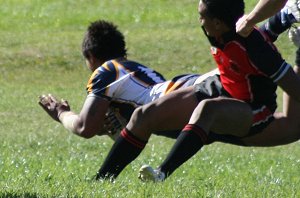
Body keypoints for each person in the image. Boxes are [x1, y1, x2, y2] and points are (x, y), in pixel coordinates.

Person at [95, 0, 300, 181]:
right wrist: (285, 17)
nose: (199, 21)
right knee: (144, 115)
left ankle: (161, 173)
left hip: (254, 108)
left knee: (207, 109)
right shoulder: (223, 29)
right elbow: (263, 31)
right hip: (222, 86)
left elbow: (295, 88)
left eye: (202, 16)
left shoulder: (257, 50)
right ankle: (101, 180)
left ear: (218, 23)